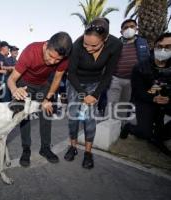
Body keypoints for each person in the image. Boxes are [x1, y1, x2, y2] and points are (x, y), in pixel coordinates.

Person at [7, 31, 73, 167]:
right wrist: (15, 90)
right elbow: (11, 79)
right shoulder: (31, 51)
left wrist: (47, 99)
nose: (52, 62)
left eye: (57, 60)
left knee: (47, 112)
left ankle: (45, 148)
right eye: (50, 56)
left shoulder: (64, 58)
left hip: (43, 84)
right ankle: (26, 149)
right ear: (46, 45)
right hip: (24, 83)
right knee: (24, 116)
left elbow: (56, 79)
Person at [65, 18, 122, 169]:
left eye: (94, 45)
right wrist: (83, 95)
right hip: (75, 82)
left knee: (89, 118)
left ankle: (88, 153)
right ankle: (73, 147)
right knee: (73, 116)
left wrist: (95, 95)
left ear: (105, 39)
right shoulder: (77, 45)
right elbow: (70, 73)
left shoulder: (116, 45)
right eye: (86, 43)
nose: (88, 48)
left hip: (95, 83)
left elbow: (108, 74)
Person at [120, 32, 171, 156]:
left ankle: (158, 137)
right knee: (144, 133)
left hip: (166, 100)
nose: (163, 50)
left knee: (157, 131)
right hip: (145, 101)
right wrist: (153, 98)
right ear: (154, 46)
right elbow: (138, 92)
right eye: (160, 46)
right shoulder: (140, 67)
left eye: (168, 47)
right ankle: (129, 127)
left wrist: (168, 98)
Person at [106, 19, 150, 127]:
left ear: (136, 29)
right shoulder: (115, 44)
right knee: (112, 103)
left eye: (132, 26)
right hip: (115, 78)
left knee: (124, 104)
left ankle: (120, 126)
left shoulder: (142, 43)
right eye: (125, 27)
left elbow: (147, 60)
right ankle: (108, 125)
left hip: (132, 80)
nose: (129, 29)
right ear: (121, 31)